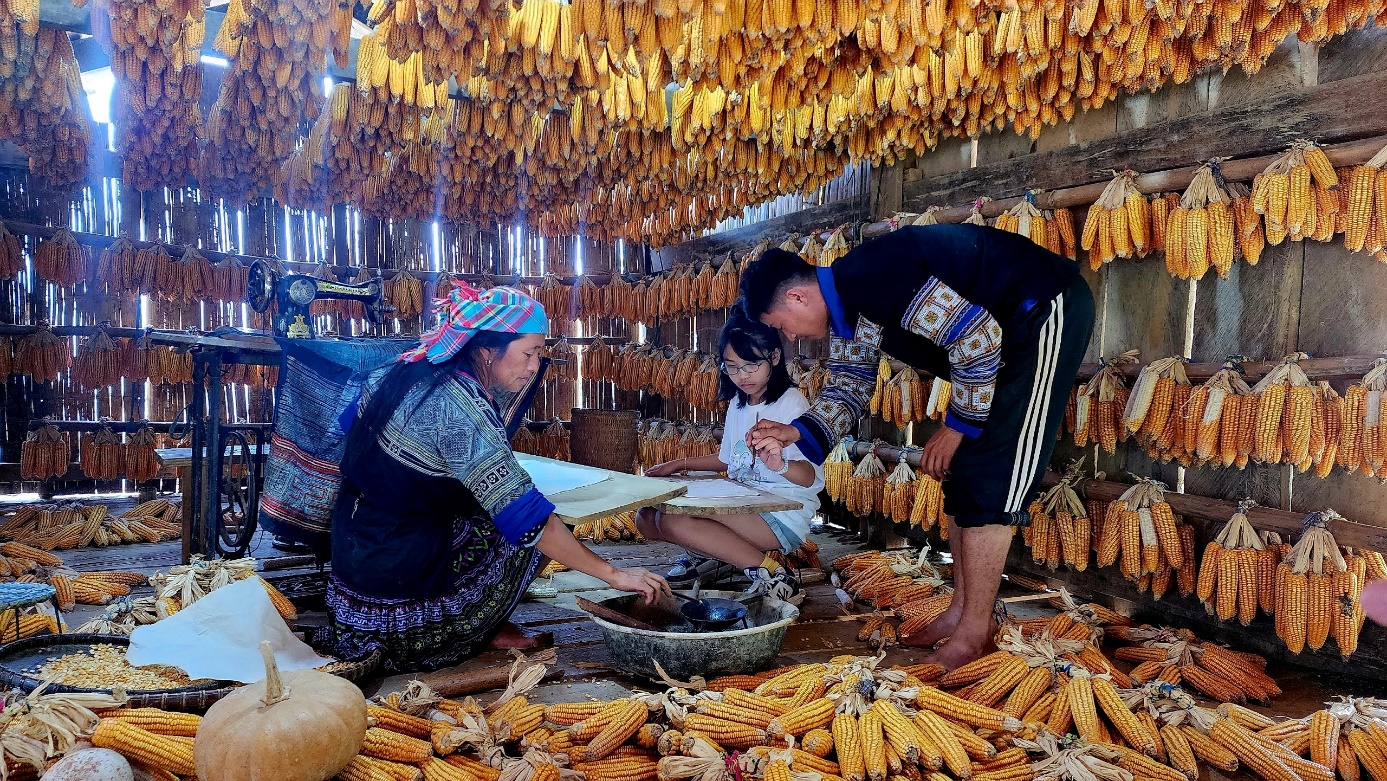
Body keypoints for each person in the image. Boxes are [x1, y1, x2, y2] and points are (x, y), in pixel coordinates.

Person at [741, 223, 1095, 669]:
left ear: (796, 298)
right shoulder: (850, 305)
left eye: (781, 327)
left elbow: (976, 337)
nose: (791, 338)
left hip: (1042, 310)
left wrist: (957, 425)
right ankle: (963, 615)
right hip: (1004, 339)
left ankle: (974, 634)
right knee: (964, 475)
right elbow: (849, 388)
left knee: (993, 477)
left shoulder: (874, 276)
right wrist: (795, 432)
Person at [315, 283, 669, 673]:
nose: (535, 366)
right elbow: (529, 520)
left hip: (354, 580)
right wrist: (613, 574)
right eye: (528, 353)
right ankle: (470, 627)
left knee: (500, 508)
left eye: (539, 353)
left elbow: (346, 427)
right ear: (486, 350)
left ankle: (485, 620)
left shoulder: (402, 368)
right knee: (535, 527)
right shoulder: (459, 407)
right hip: (400, 605)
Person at [637, 309, 823, 605]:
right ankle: (718, 557)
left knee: (674, 521)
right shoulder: (738, 403)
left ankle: (773, 574)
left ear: (775, 357)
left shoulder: (792, 404)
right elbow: (729, 460)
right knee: (646, 517)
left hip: (782, 512)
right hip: (745, 501)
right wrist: (678, 465)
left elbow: (809, 477)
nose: (742, 376)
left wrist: (781, 464)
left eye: (751, 365)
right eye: (732, 367)